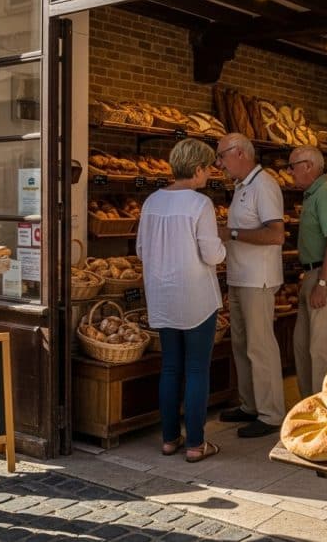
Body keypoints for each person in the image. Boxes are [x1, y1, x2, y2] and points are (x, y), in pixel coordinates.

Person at [137, 138, 225, 463]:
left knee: (170, 367)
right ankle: (196, 443)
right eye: (208, 167)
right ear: (198, 168)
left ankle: (169, 439)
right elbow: (211, 253)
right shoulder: (200, 204)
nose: (210, 173)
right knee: (197, 369)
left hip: (161, 294)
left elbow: (141, 250)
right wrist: (225, 248)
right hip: (195, 295)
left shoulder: (151, 203)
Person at [214, 133, 286, 438]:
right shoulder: (242, 186)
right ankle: (250, 404)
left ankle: (271, 414)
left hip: (259, 279)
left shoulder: (264, 186)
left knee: (260, 346)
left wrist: (229, 234)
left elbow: (275, 235)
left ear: (240, 153)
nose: (218, 163)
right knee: (242, 345)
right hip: (240, 277)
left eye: (221, 156)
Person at [286, 145, 327, 398]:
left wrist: (322, 284)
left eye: (292, 166)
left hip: (326, 274)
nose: (289, 172)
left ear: (309, 166)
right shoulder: (313, 194)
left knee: (320, 348)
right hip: (313, 273)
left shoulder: (324, 193)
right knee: (302, 345)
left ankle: (325, 407)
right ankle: (308, 404)